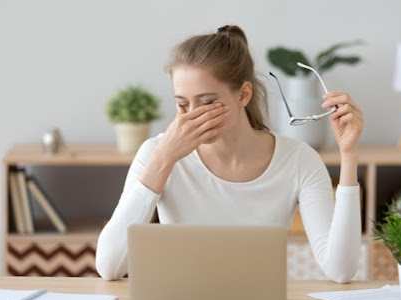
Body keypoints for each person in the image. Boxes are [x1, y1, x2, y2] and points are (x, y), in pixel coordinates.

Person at [96, 25, 364, 283]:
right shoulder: (156, 153)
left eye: (208, 102)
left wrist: (348, 153)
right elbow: (109, 267)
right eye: (182, 104)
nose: (194, 115)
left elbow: (340, 270)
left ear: (243, 95)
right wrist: (164, 159)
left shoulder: (298, 159)